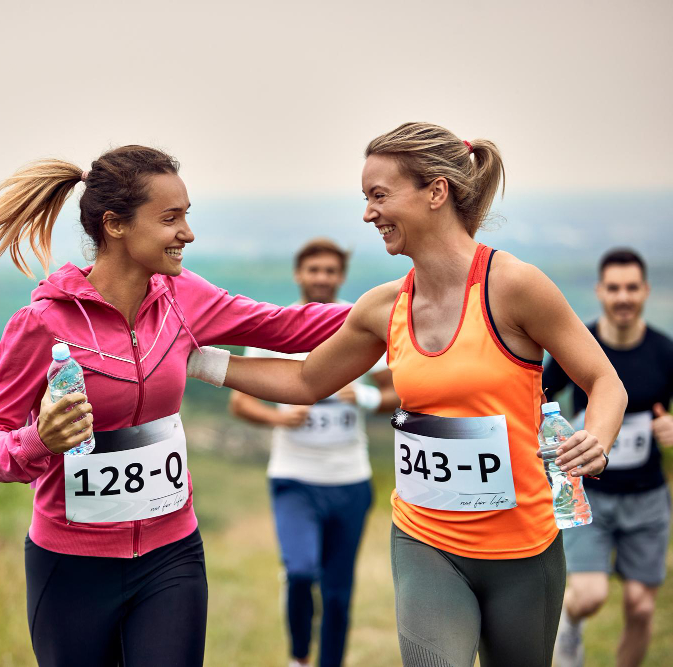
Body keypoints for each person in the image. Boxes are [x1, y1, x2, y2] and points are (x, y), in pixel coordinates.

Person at [186, 122, 628, 667]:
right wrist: (193, 360)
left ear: (436, 192)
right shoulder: (383, 306)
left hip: (522, 547)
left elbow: (606, 381)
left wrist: (597, 440)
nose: (368, 214)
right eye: (365, 199)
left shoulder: (514, 286)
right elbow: (304, 382)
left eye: (379, 195)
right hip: (425, 539)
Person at [0, 146, 351, 667]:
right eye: (171, 218)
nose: (187, 233)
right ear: (116, 225)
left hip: (172, 555)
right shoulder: (43, 323)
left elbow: (290, 327)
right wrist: (38, 442)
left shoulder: (184, 297)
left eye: (186, 216)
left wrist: (410, 300)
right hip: (70, 565)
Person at [228, 238, 398, 667]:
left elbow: (397, 392)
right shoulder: (274, 327)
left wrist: (359, 397)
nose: (321, 277)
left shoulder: (359, 324)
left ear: (340, 277)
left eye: (330, 271)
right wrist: (277, 419)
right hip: (293, 477)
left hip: (350, 480)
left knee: (339, 594)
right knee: (301, 572)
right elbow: (240, 401)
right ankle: (299, 658)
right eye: (313, 270)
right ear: (298, 275)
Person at [546, 248, 673, 667]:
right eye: (614, 288)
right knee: (589, 595)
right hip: (589, 496)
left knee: (640, 606)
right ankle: (569, 623)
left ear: (645, 291)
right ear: (600, 291)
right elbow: (535, 396)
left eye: (632, 287)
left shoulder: (663, 352)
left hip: (647, 498)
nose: (623, 297)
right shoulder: (578, 346)